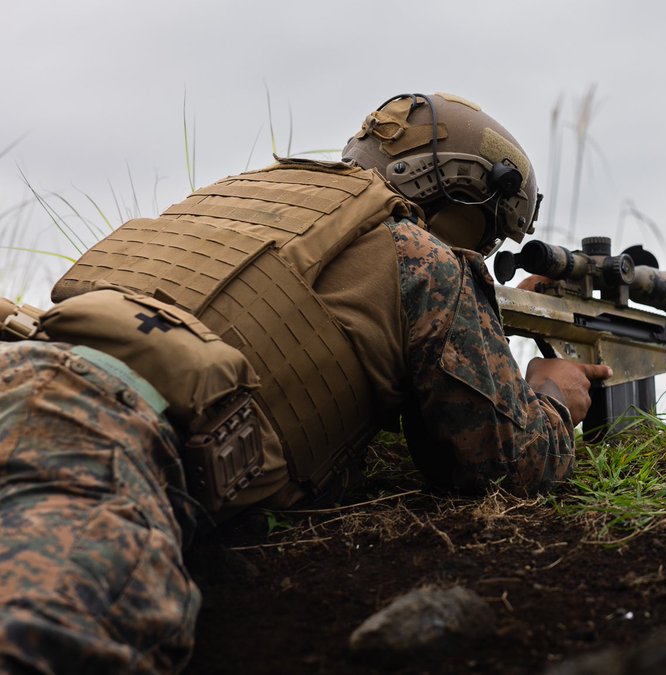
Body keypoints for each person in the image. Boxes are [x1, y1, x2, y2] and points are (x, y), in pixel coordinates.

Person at [0, 92, 611, 674]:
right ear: (461, 197)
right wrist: (552, 394)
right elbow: (510, 462)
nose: (480, 250)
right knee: (50, 642)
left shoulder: (242, 197)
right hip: (94, 427)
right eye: (486, 235)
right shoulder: (422, 255)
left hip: (30, 368)